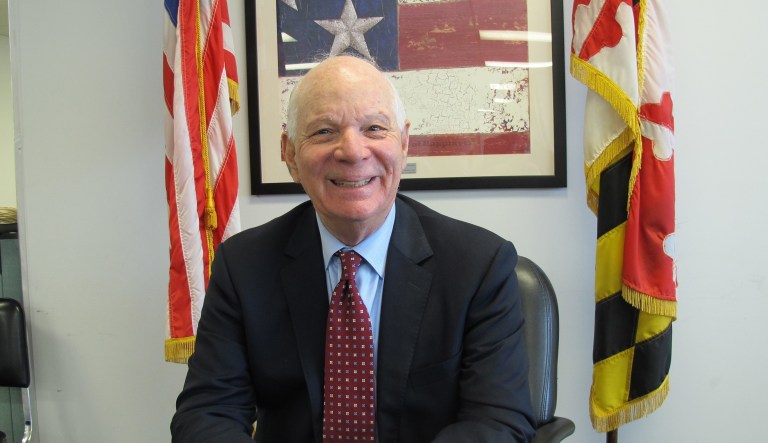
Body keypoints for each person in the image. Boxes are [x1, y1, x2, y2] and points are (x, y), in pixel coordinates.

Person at [171, 55, 536, 442]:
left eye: (375, 128)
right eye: (325, 131)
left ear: (404, 143)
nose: (352, 151)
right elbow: (206, 414)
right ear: (290, 154)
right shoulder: (243, 267)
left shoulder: (478, 266)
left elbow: (499, 422)